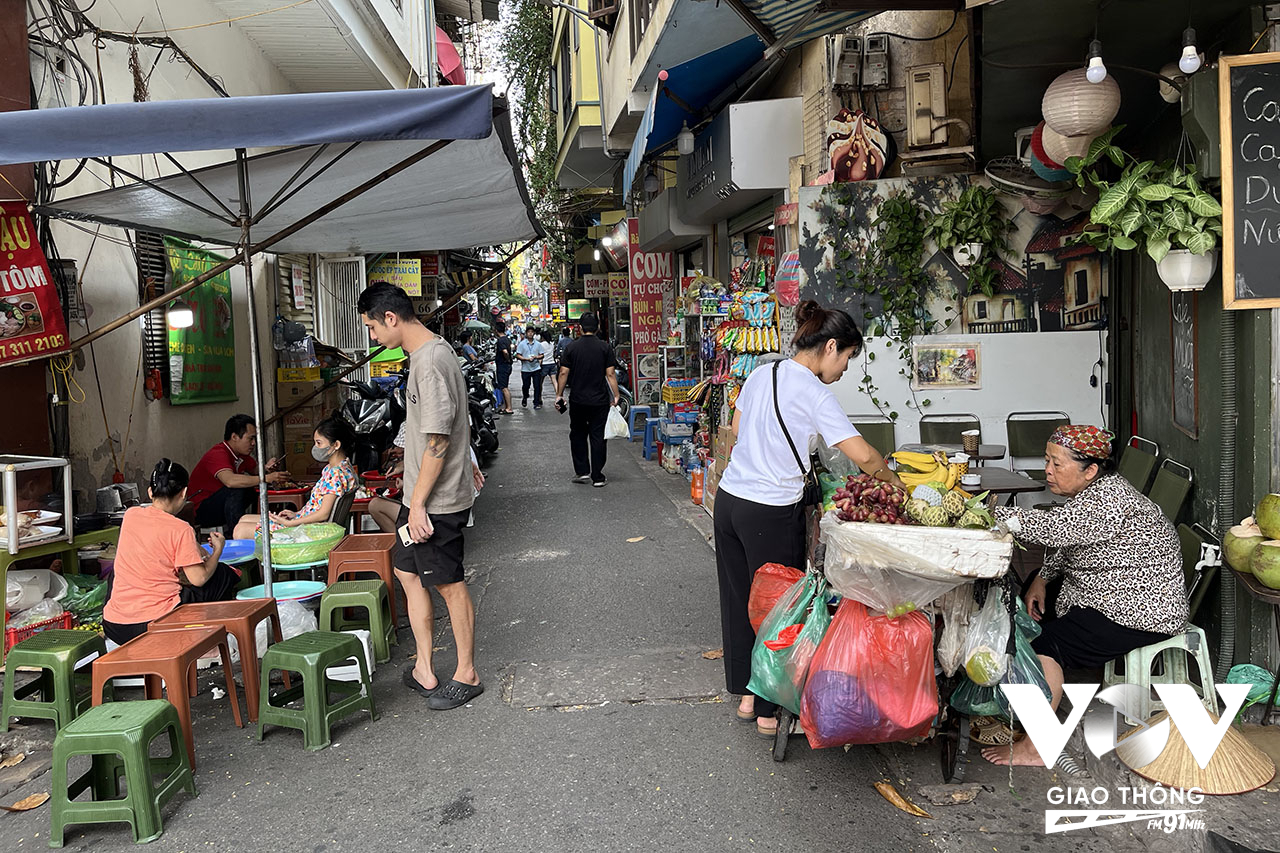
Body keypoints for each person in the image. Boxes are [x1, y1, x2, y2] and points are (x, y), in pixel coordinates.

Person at [713, 301, 904, 739]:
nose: (845, 369)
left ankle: (747, 696)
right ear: (831, 346)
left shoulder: (762, 373)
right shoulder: (815, 393)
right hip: (770, 509)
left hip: (730, 502)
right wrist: (896, 484)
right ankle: (768, 712)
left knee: (742, 600)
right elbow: (865, 456)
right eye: (848, 358)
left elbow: (739, 428)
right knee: (781, 609)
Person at [981, 425, 1187, 766]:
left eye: (1057, 464)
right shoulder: (1091, 493)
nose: (1047, 470)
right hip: (1100, 592)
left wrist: (990, 514)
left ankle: (1038, 746)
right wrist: (1042, 579)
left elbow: (1055, 529)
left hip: (1136, 612)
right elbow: (1073, 540)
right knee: (1032, 581)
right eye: (1047, 460)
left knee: (1043, 647)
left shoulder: (1110, 500)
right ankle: (1029, 685)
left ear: (1090, 470)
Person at [357, 281, 484, 710]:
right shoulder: (432, 352)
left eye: (372, 328)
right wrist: (470, 459)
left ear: (390, 318)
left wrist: (416, 505)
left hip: (435, 502)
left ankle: (467, 672)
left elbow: (437, 438)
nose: (373, 337)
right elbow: (452, 422)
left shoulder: (429, 361)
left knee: (449, 584)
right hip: (423, 493)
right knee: (408, 574)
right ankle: (424, 668)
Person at [102, 460, 242, 645]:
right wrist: (217, 550)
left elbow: (156, 542)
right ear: (184, 493)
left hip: (115, 626)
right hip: (155, 624)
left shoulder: (131, 515)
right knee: (222, 574)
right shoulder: (181, 529)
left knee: (116, 574)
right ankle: (209, 645)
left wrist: (196, 548)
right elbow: (198, 578)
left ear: (150, 492)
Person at [231, 416, 357, 539]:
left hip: (308, 531)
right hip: (305, 524)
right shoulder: (342, 468)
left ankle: (263, 559)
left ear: (336, 445)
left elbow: (323, 514)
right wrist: (296, 514)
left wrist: (290, 523)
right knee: (244, 519)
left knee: (240, 530)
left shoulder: (335, 474)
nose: (315, 448)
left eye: (319, 443)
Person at [189, 414, 287, 537]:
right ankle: (235, 534)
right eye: (250, 439)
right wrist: (266, 478)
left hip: (222, 505)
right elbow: (230, 481)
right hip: (202, 511)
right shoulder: (218, 454)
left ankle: (268, 523)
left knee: (254, 488)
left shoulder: (241, 455)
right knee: (237, 488)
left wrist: (267, 468)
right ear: (234, 437)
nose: (253, 443)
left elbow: (255, 470)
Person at [554, 313, 620, 487]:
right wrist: (616, 394)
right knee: (598, 436)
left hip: (578, 400)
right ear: (597, 328)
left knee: (578, 434)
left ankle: (582, 471)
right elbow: (610, 374)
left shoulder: (572, 348)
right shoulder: (605, 347)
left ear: (580, 328)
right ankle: (598, 476)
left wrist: (559, 395)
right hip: (599, 400)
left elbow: (563, 373)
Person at [516, 326, 545, 409]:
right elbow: (518, 355)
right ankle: (525, 397)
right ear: (526, 333)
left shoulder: (538, 344)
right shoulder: (522, 344)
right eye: (529, 332)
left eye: (532, 332)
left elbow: (542, 355)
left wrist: (536, 357)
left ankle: (536, 403)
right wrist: (525, 359)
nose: (530, 333)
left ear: (534, 333)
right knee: (526, 386)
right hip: (525, 369)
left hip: (536, 368)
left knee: (537, 386)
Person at [494, 321, 514, 415]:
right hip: (506, 365)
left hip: (503, 365)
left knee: (504, 387)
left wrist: (507, 359)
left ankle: (509, 408)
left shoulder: (501, 340)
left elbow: (505, 352)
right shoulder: (507, 339)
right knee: (504, 386)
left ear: (496, 330)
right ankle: (507, 407)